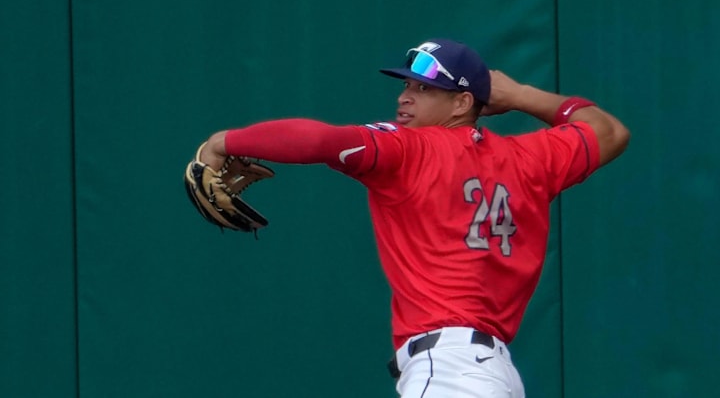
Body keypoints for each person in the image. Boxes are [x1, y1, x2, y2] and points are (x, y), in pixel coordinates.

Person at [198, 38, 630, 397]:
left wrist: (223, 142)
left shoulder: (409, 150)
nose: (405, 96)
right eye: (407, 85)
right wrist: (519, 95)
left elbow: (322, 140)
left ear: (462, 102)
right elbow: (608, 130)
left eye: (425, 88)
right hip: (494, 375)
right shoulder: (531, 159)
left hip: (447, 373)